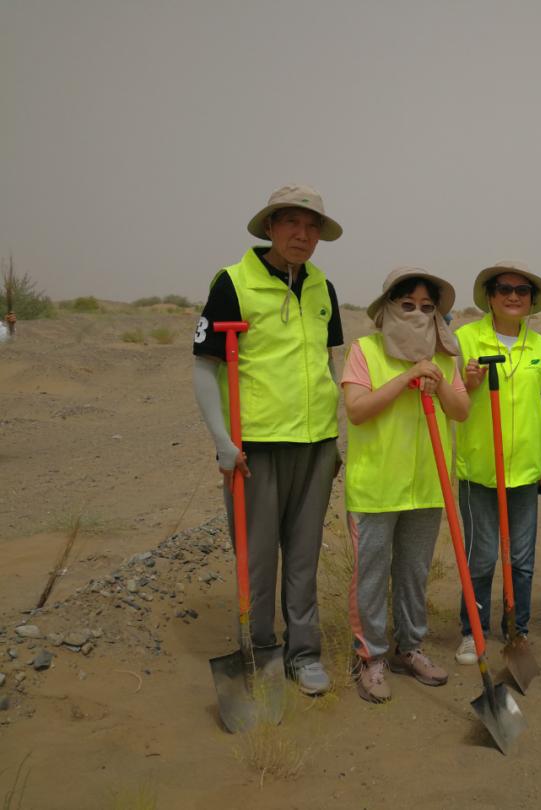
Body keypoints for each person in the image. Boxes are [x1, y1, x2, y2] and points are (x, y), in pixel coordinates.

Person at [192, 185, 343, 696]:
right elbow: (203, 366)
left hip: (316, 443)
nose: (302, 235)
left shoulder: (323, 286)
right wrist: (221, 442)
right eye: (292, 224)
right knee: (257, 556)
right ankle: (260, 647)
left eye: (312, 227)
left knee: (303, 553)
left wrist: (332, 432)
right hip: (255, 445)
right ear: (271, 227)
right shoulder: (232, 283)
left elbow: (327, 359)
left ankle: (303, 653)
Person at [341, 267, 469, 703]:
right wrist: (404, 378)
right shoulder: (365, 350)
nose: (417, 313)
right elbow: (356, 410)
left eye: (427, 308)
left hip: (427, 486)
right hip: (376, 487)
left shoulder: (445, 358)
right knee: (372, 577)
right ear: (388, 308)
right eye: (407, 305)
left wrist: (436, 383)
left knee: (413, 574)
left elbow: (462, 410)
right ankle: (370, 657)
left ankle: (408, 648)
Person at [453, 262, 541, 664]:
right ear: (490, 296)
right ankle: (471, 630)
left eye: (522, 291)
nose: (513, 296)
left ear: (531, 300)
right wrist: (469, 384)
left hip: (525, 470)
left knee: (522, 559)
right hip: (479, 468)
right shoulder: (465, 339)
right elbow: (451, 400)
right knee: (480, 556)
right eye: (504, 289)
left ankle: (518, 628)